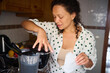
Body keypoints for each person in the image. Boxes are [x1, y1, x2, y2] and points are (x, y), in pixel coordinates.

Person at [21, 0, 97, 73]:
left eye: (60, 17)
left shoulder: (87, 37)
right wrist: (40, 30)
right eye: (54, 16)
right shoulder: (51, 28)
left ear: (72, 15)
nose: (56, 21)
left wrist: (86, 61)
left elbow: (91, 64)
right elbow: (25, 23)